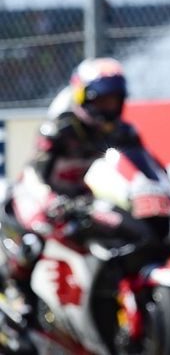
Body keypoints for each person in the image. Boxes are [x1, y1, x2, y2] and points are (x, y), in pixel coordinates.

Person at [3, 57, 143, 321]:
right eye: (101, 100)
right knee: (32, 241)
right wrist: (51, 200)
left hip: (84, 200)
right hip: (43, 198)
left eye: (113, 100)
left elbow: (140, 169)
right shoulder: (59, 129)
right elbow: (34, 174)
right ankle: (18, 296)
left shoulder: (124, 133)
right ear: (83, 98)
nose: (108, 108)